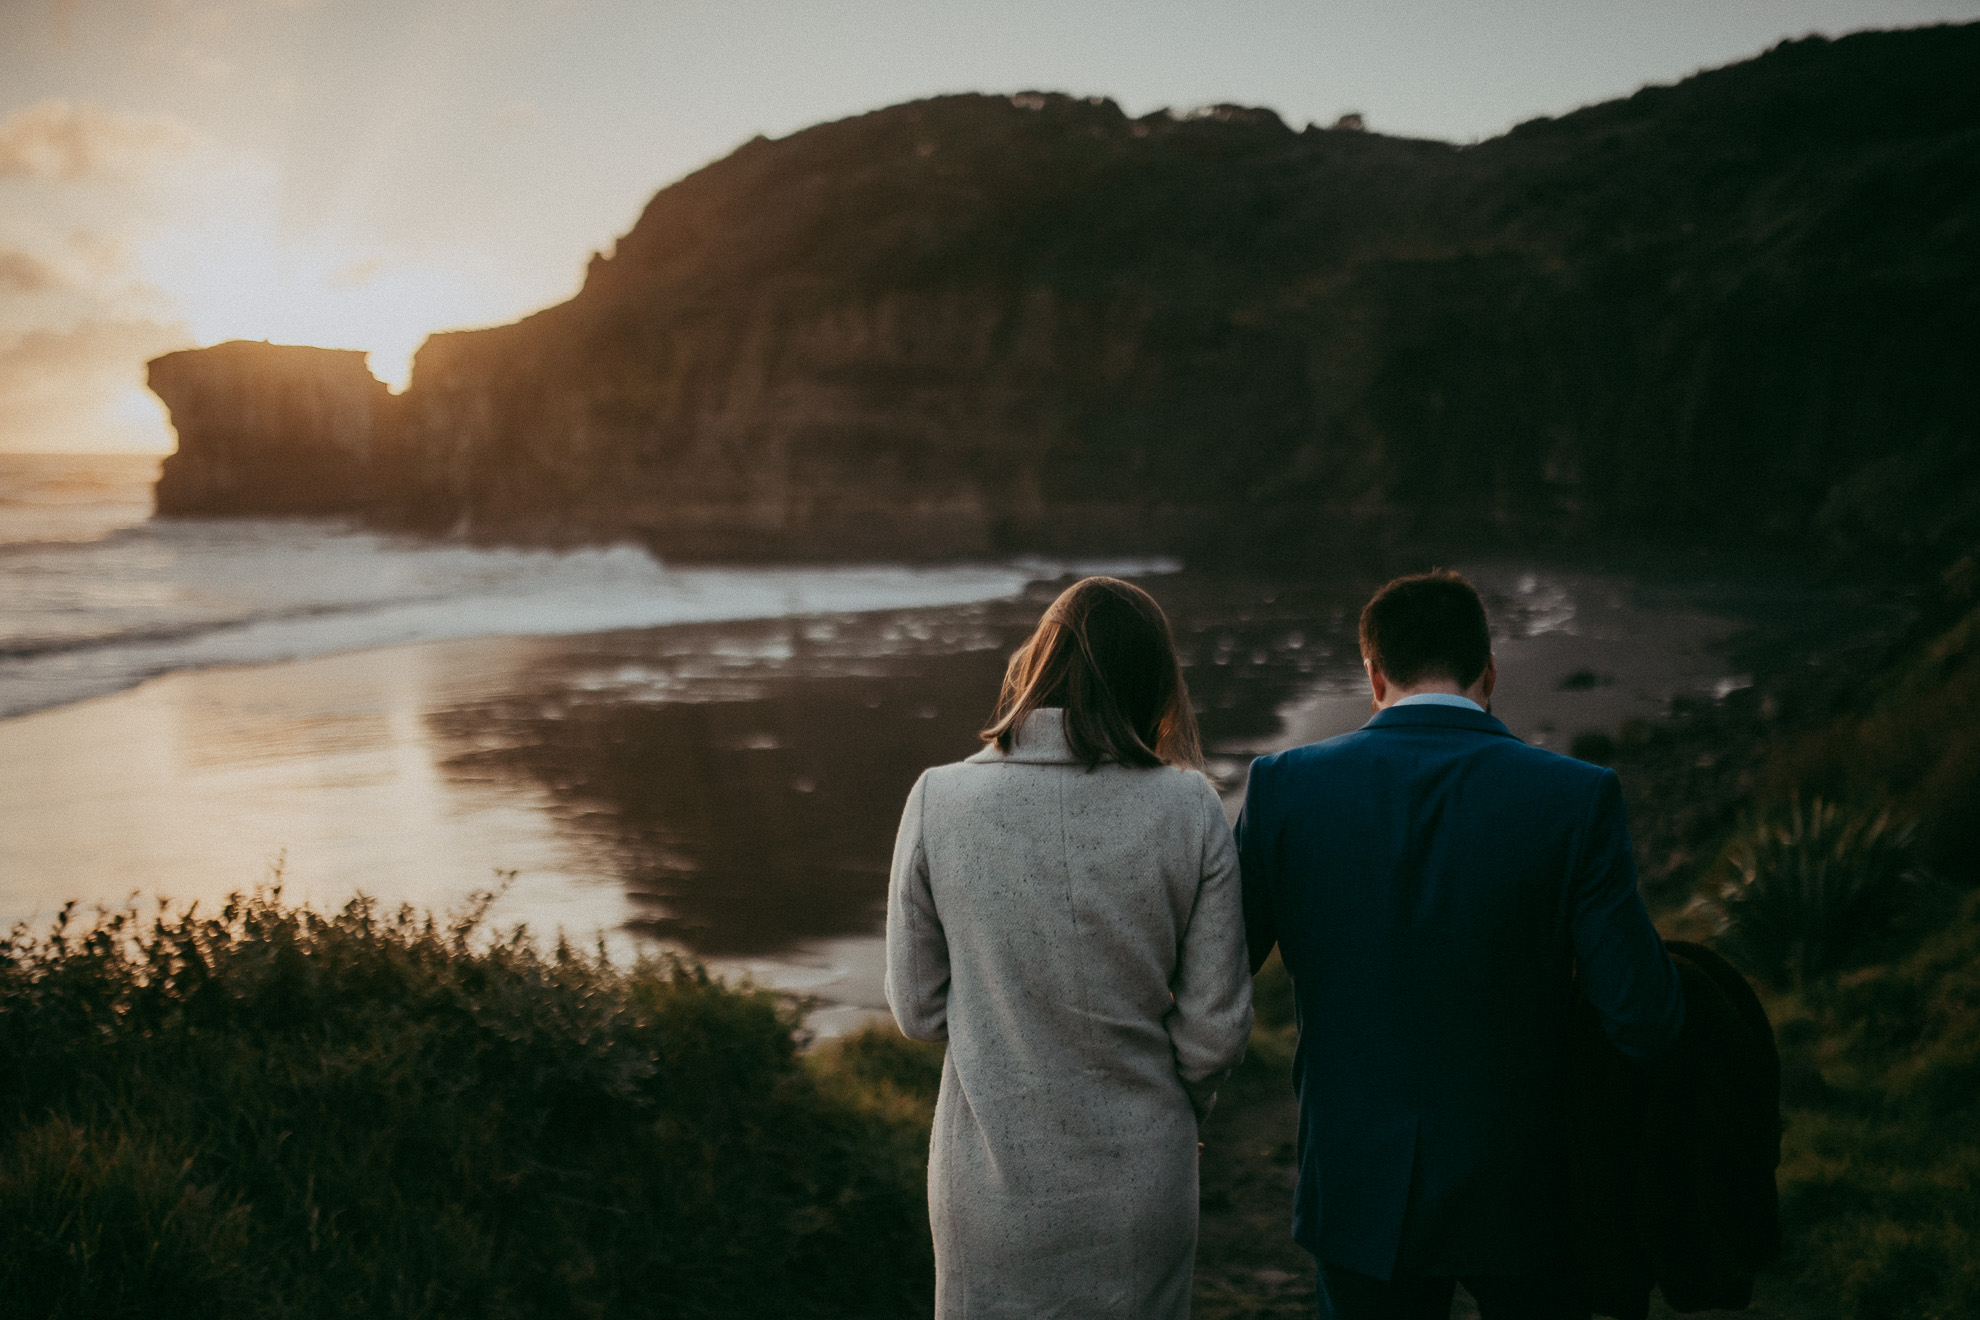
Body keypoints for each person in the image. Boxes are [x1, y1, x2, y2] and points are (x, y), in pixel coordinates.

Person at [1236, 570, 1685, 1320]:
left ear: (1374, 675)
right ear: (1490, 672)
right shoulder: (1577, 797)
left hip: (1358, 1183)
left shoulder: (1284, 786)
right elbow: (1643, 1017)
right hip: (1528, 1186)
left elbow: (1225, 971)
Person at [886, 575, 1254, 1319]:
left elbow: (917, 1013)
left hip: (988, 1190)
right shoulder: (1190, 806)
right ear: (1154, 682)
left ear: (1037, 666)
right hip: (1142, 1188)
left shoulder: (938, 799)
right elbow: (1215, 1034)